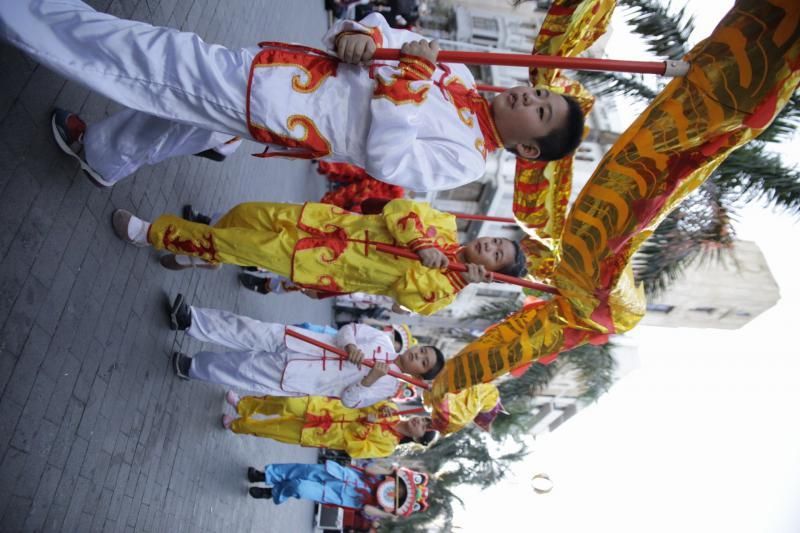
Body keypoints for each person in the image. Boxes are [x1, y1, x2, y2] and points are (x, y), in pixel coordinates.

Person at [0, 3, 585, 189]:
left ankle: (23, 15)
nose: (525, 97)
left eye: (539, 111)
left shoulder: (465, 159)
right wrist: (362, 36)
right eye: (536, 91)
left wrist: (406, 81)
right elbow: (392, 34)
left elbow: (388, 163)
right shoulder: (458, 76)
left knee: (150, 55)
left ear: (528, 151)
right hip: (281, 75)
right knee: (185, 118)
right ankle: (103, 155)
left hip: (275, 107)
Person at [113, 198, 528, 315]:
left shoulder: (442, 295)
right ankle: (200, 255)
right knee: (242, 216)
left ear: (490, 274)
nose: (491, 246)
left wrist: (448, 273)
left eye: (497, 255)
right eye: (497, 241)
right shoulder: (444, 226)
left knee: (235, 244)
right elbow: (399, 210)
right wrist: (424, 244)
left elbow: (407, 295)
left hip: (319, 263)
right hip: (322, 223)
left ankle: (151, 233)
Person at [167, 295, 445, 407]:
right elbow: (348, 329)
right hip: (302, 341)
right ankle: (190, 320)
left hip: (300, 377)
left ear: (420, 374)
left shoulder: (387, 388)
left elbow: (350, 401)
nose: (418, 356)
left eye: (423, 362)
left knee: (241, 369)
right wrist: (349, 345)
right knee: (246, 328)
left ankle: (191, 367)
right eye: (423, 351)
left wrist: (368, 380)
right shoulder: (385, 341)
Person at [221, 392, 437, 459]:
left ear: (417, 439)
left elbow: (354, 449)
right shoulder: (393, 411)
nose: (421, 422)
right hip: (325, 408)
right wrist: (380, 410)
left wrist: (367, 426)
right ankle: (244, 405)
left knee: (272, 429)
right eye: (425, 419)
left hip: (320, 434)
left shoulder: (387, 447)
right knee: (285, 403)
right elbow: (366, 400)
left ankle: (238, 425)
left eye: (424, 428)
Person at [245, 461, 429, 521]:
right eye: (400, 489)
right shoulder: (384, 476)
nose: (396, 493)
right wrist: (391, 471)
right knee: (301, 470)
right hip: (338, 474)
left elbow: (365, 511)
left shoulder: (380, 510)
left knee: (300, 487)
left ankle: (272, 493)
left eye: (400, 497)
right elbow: (369, 468)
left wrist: (389, 514)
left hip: (335, 494)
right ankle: (264, 476)